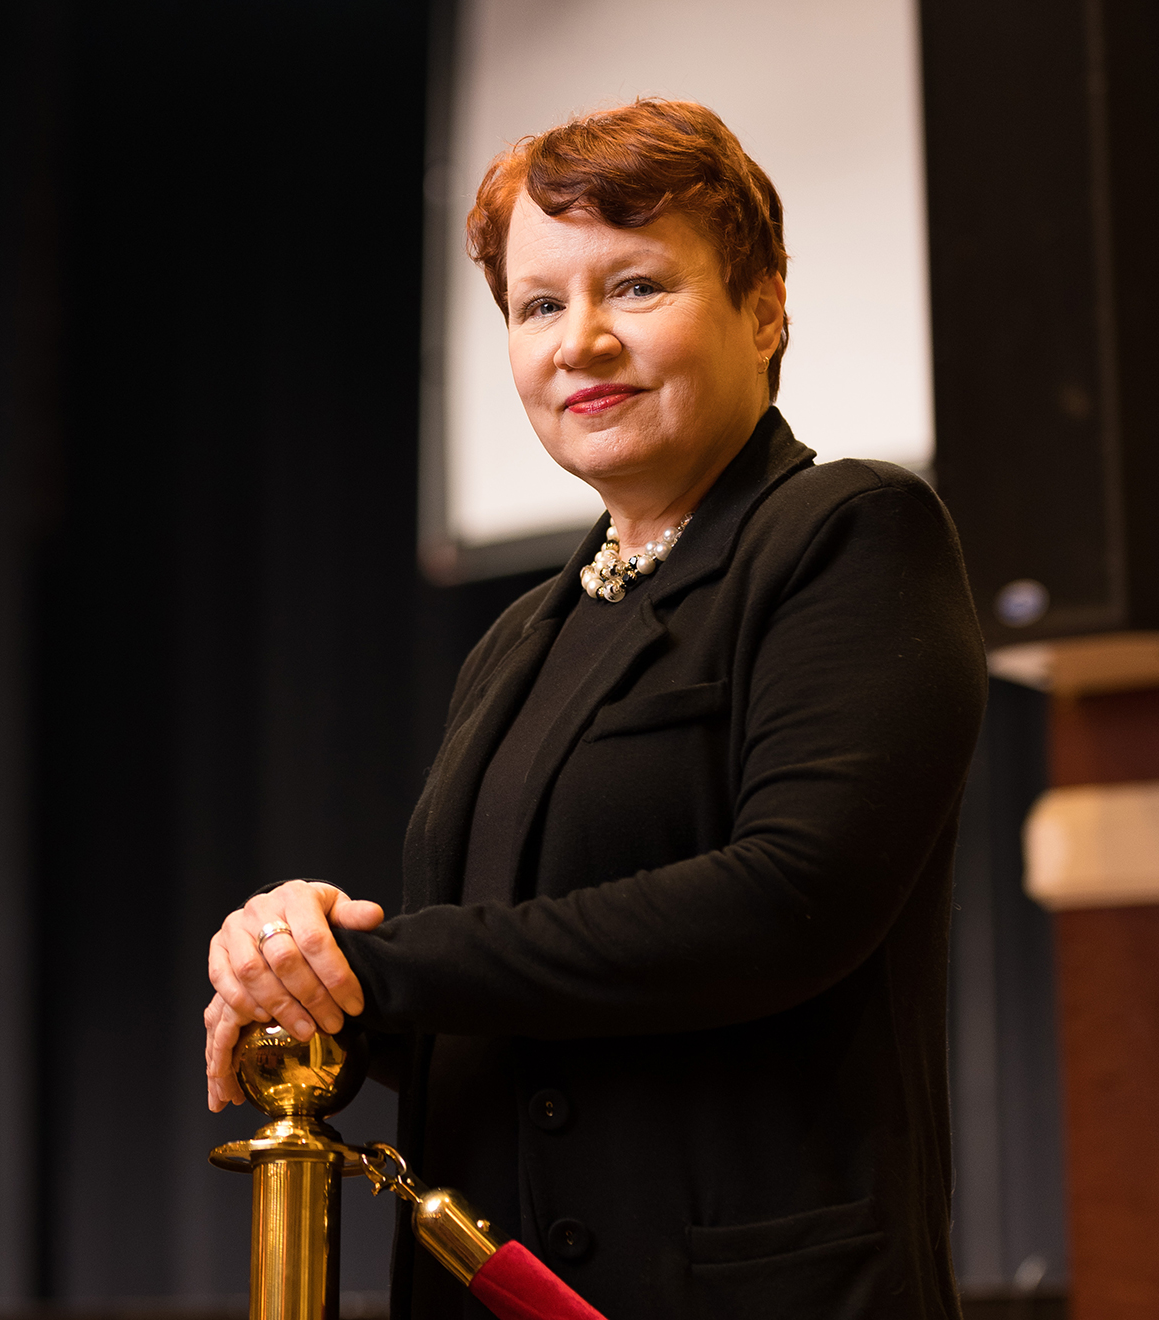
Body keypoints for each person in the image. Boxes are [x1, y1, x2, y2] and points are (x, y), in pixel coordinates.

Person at [202, 99, 986, 1320]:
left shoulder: (847, 534)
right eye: (536, 305)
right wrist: (314, 989)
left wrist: (383, 965)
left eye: (633, 287)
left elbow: (786, 902)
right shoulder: (525, 635)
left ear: (764, 305)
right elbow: (488, 1012)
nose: (580, 342)